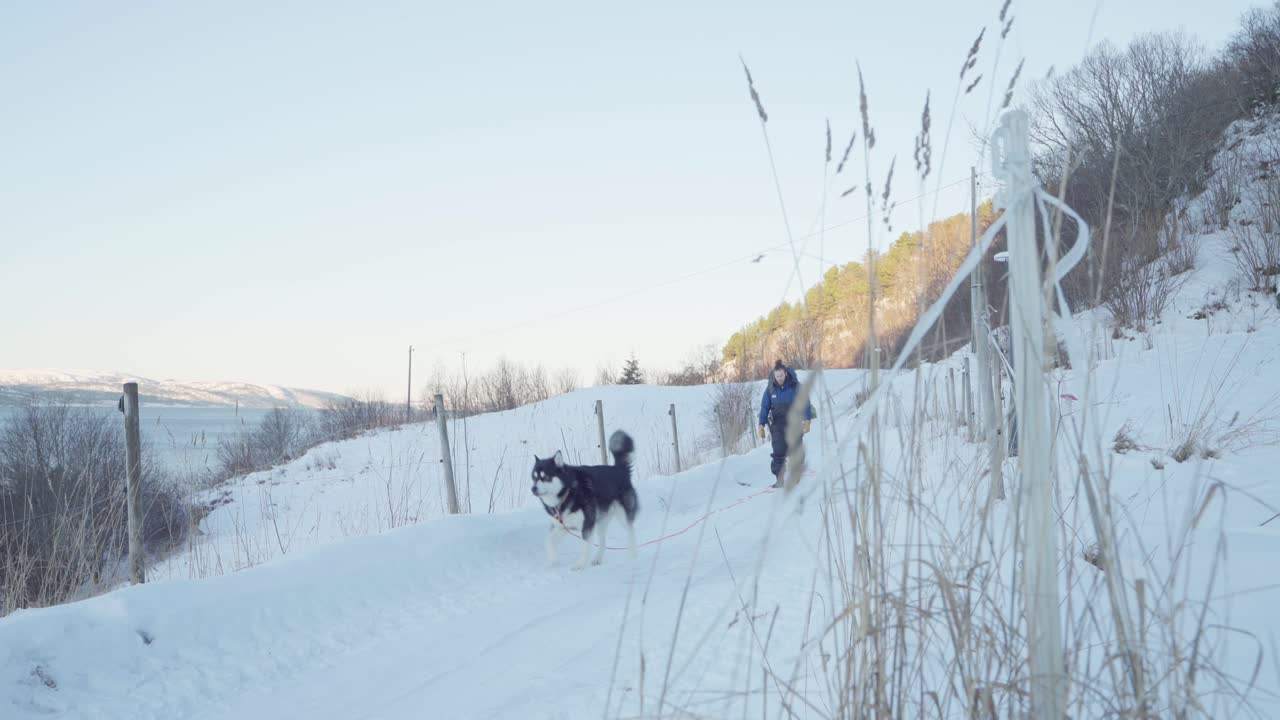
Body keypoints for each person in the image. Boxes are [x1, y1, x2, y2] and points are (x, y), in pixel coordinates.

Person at [757, 359, 814, 488]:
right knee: (778, 451)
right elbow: (765, 407)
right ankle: (779, 479)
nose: (779, 378)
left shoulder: (795, 386)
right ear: (774, 375)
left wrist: (807, 419)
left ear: (786, 374)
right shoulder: (770, 388)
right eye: (777, 376)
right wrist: (761, 424)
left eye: (781, 376)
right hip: (777, 425)